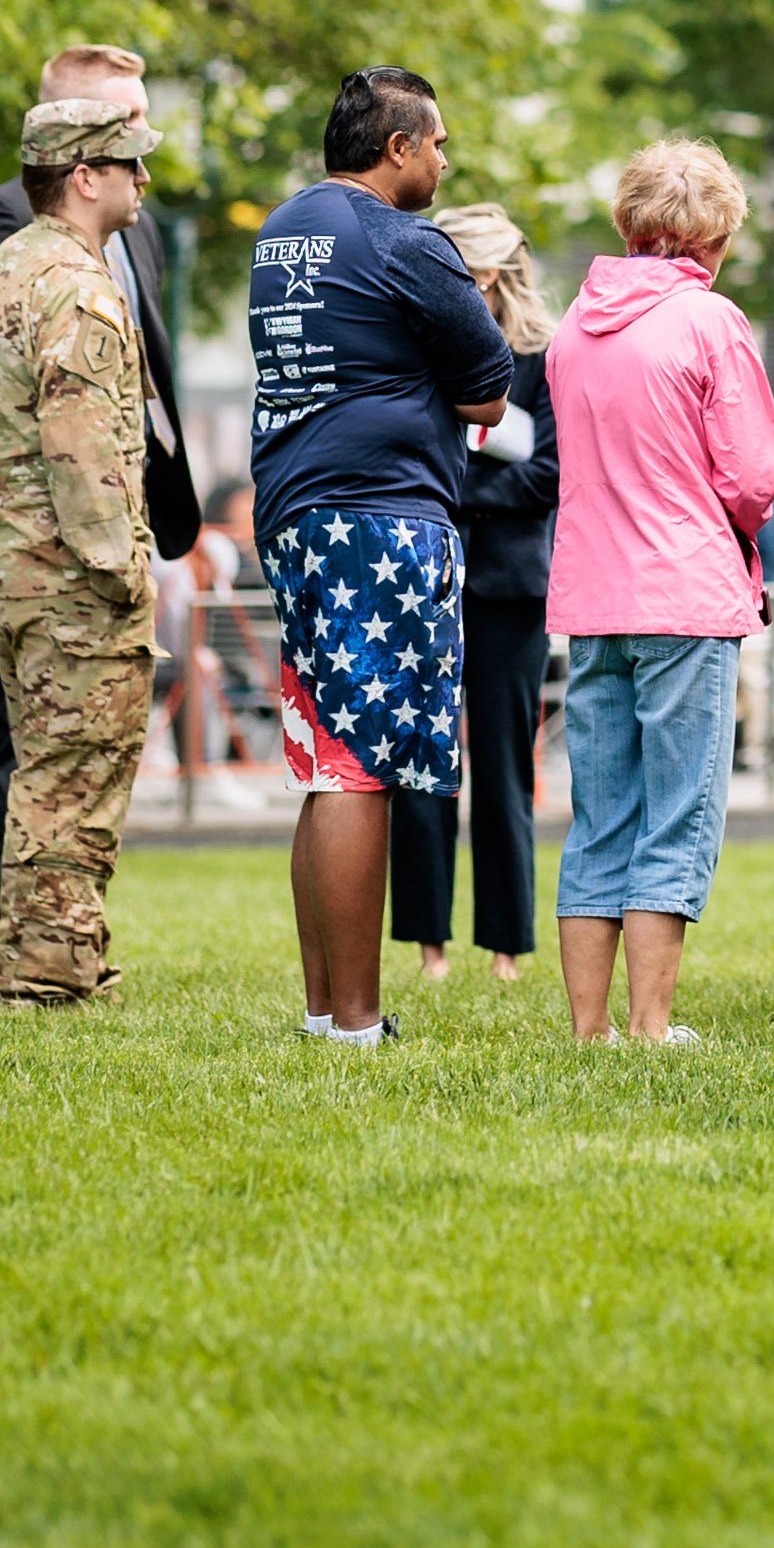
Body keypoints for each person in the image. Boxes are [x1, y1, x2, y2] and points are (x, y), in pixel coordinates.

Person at [242, 66, 514, 1047]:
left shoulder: (283, 230)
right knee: (361, 767)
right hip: (382, 521)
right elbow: (488, 391)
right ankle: (358, 1021)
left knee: (322, 758)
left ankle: (323, 1010)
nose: (443, 159)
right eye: (436, 143)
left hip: (296, 510)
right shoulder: (407, 242)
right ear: (398, 147)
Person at [0, 42, 192, 887]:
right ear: (78, 146)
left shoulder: (130, 229)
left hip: (110, 524)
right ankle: (34, 942)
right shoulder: (3, 227)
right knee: (43, 748)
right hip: (54, 542)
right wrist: (33, 522)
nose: (146, 155)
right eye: (131, 129)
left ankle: (44, 940)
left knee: (78, 751)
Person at [545, 141, 774, 1051]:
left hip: (591, 591)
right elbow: (753, 472)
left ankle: (588, 1027)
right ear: (711, 234)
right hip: (683, 592)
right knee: (679, 811)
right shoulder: (708, 321)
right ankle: (650, 1026)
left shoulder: (574, 326)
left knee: (602, 811)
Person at [0, 98, 163, 1005]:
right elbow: (82, 448)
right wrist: (122, 567)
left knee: (47, 765)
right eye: (129, 166)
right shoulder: (75, 284)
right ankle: (47, 976)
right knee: (78, 774)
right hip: (73, 573)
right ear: (85, 176)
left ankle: (54, 958)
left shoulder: (3, 269)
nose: (142, 182)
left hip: (15, 561)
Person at [393, 204, 559, 988]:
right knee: (426, 761)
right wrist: (481, 481)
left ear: (485, 277)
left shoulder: (542, 358)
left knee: (501, 767)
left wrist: (464, 485)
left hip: (512, 587)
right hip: (426, 577)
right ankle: (427, 944)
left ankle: (506, 945)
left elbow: (552, 475)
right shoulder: (422, 349)